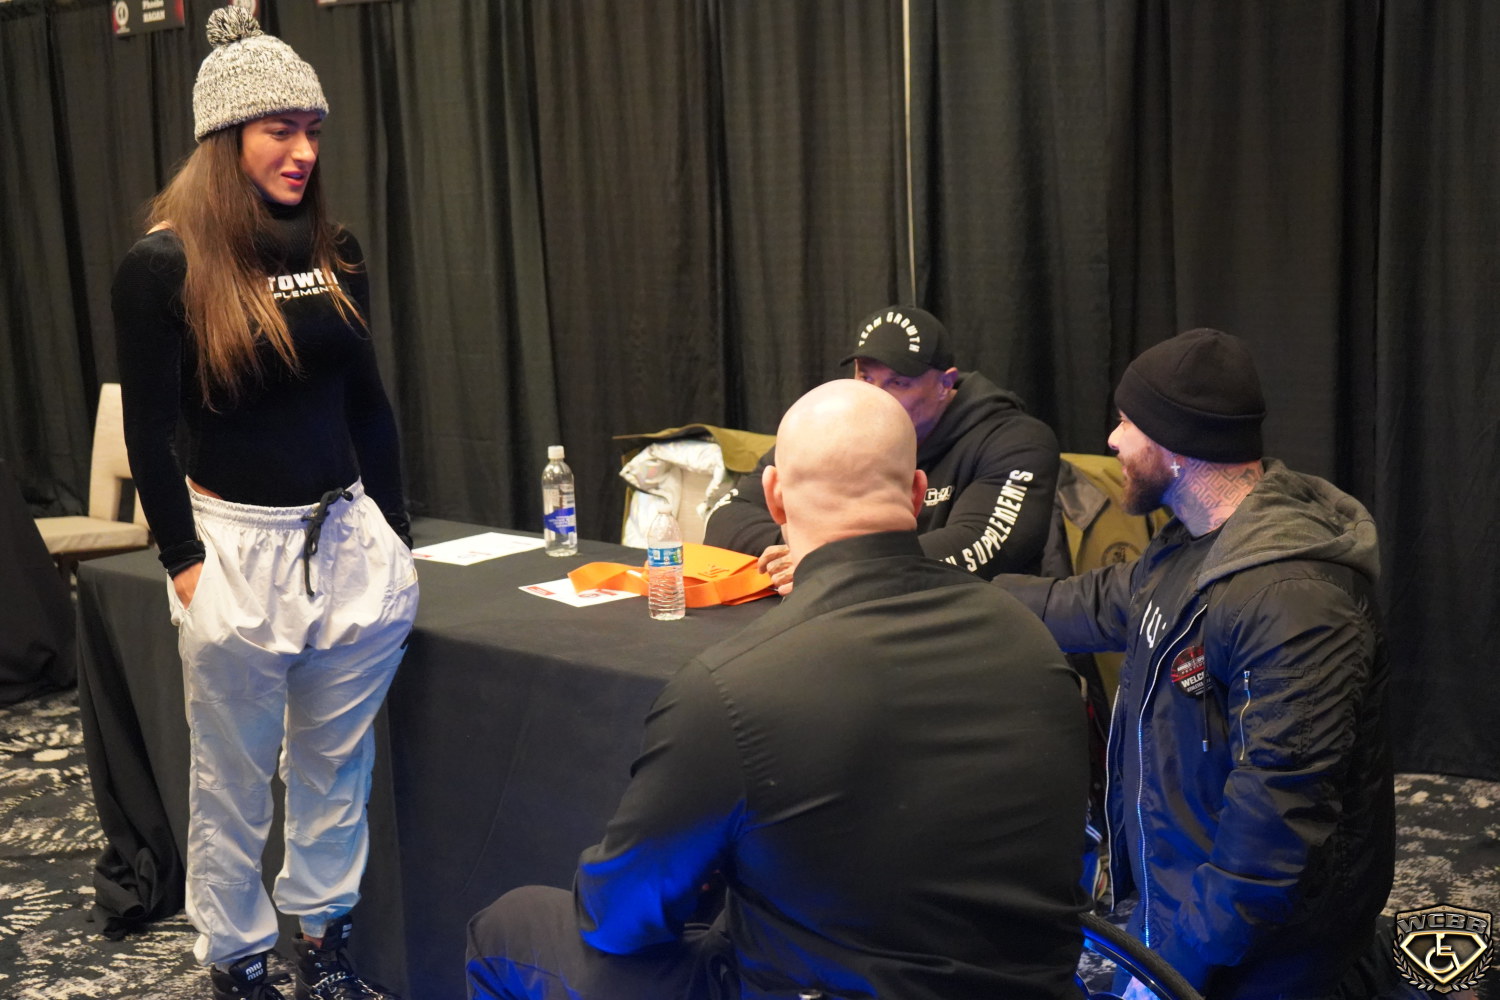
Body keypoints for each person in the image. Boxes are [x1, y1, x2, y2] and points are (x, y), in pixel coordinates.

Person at [466, 380, 1090, 1000]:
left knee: (508, 926)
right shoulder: (1031, 642)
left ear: (774, 497)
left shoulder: (732, 689)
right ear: (919, 493)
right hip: (1035, 987)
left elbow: (617, 920)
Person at [112, 10, 417, 1000]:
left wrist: (397, 541)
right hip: (233, 547)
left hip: (346, 540)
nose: (303, 151)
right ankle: (238, 959)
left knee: (336, 767)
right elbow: (151, 429)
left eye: (312, 129)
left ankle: (323, 943)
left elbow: (367, 404)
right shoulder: (163, 266)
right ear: (226, 137)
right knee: (233, 779)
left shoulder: (336, 248)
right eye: (279, 129)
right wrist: (184, 564)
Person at [995, 329, 1394, 1000]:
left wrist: (1172, 972)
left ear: (1177, 446)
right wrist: (925, 585)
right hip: (1186, 919)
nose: (1112, 440)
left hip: (1263, 956)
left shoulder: (1295, 601)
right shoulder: (1191, 545)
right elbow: (1084, 603)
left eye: (1128, 423)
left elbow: (1270, 836)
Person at [703, 305, 1059, 593]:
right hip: (840, 618)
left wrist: (830, 564)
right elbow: (726, 519)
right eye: (865, 377)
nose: (874, 395)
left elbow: (981, 546)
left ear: (944, 384)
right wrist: (802, 554)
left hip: (968, 627)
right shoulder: (836, 423)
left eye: (898, 382)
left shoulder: (1015, 440)